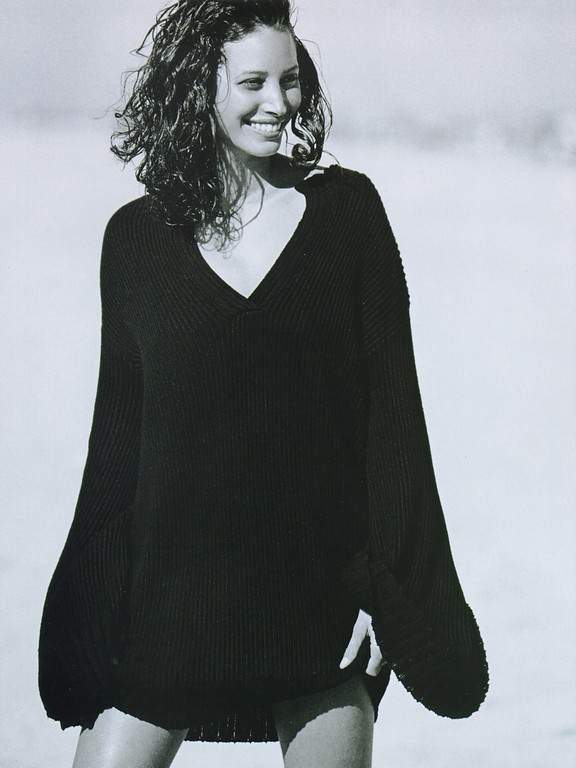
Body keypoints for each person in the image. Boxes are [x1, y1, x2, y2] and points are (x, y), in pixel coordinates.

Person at [38, 1, 489, 766]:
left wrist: (390, 594)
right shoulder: (135, 241)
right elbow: (117, 453)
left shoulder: (349, 215)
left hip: (319, 610)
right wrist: (86, 624)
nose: (278, 103)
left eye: (289, 80)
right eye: (253, 82)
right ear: (198, 88)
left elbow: (393, 425)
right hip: (168, 608)